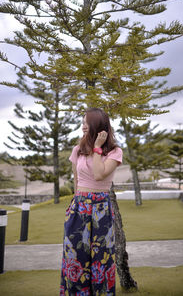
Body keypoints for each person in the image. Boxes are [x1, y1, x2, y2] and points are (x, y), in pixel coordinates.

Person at [60, 108, 123, 296]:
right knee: (75, 258)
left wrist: (97, 147)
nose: (83, 126)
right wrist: (73, 203)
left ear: (97, 125)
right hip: (79, 206)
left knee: (101, 260)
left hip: (101, 209)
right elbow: (77, 180)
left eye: (86, 122)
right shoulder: (77, 150)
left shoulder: (115, 152)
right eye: (82, 122)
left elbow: (98, 174)